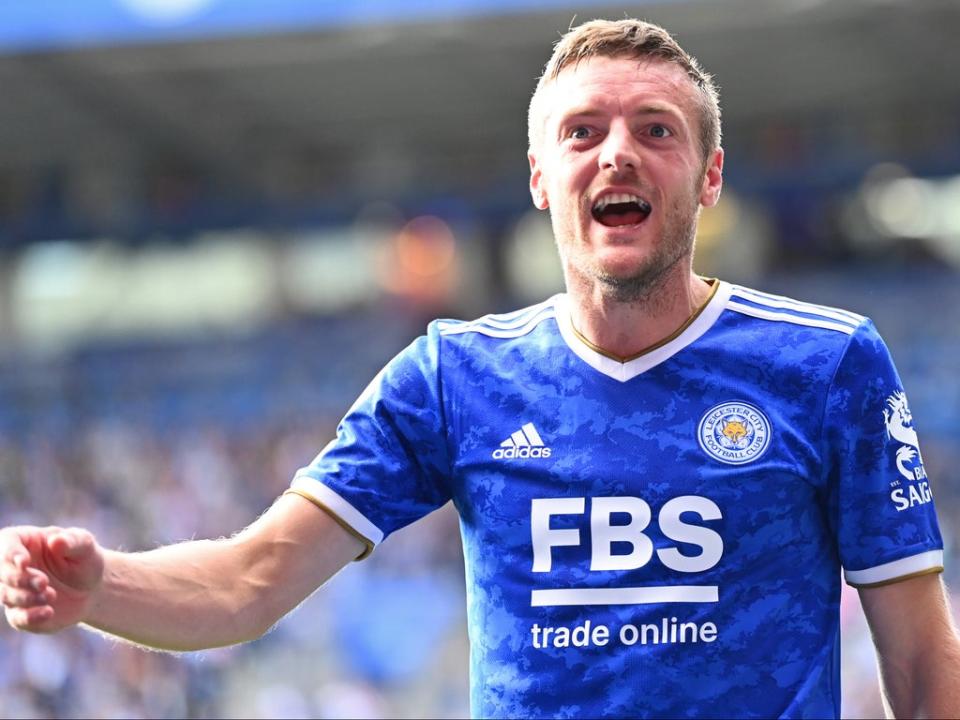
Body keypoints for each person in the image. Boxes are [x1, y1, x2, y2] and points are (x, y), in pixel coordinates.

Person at [2, 18, 958, 719]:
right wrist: (100, 588)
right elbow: (248, 582)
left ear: (709, 176)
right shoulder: (452, 379)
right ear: (542, 176)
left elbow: (921, 666)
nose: (617, 152)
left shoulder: (827, 365)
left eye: (657, 130)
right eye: (582, 132)